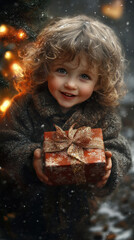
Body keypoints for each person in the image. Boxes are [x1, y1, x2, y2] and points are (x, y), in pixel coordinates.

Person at [0, 15, 132, 240]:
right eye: (62, 70)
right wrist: (31, 158)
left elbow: (118, 147)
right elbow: (6, 142)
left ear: (99, 81)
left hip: (77, 211)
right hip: (24, 207)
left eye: (84, 76)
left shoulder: (102, 114)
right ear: (45, 67)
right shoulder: (25, 106)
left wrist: (109, 167)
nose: (70, 84)